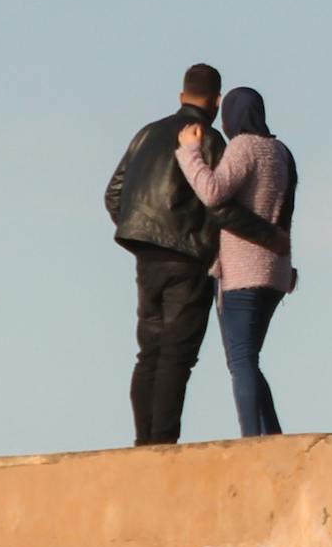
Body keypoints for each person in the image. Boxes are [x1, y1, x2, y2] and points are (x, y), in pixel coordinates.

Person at [104, 63, 224, 446]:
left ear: (181, 96)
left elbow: (113, 193)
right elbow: (220, 201)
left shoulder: (147, 133)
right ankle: (162, 443)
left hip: (145, 255)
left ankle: (144, 443)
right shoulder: (210, 140)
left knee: (149, 352)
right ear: (217, 101)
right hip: (187, 256)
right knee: (176, 354)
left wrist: (140, 230)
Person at [174, 85, 299, 438]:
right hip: (275, 271)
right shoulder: (281, 152)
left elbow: (213, 192)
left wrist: (190, 152)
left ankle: (252, 440)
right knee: (249, 359)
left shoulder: (244, 147)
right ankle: (271, 435)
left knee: (241, 360)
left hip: (243, 270)